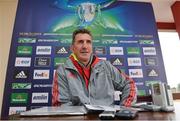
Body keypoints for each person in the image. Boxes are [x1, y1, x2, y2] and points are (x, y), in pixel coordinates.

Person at [52, 28, 137, 107]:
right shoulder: (63, 71)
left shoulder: (106, 66)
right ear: (72, 48)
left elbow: (129, 83)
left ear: (92, 47)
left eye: (88, 42)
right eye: (80, 42)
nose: (85, 46)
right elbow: (60, 105)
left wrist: (125, 108)